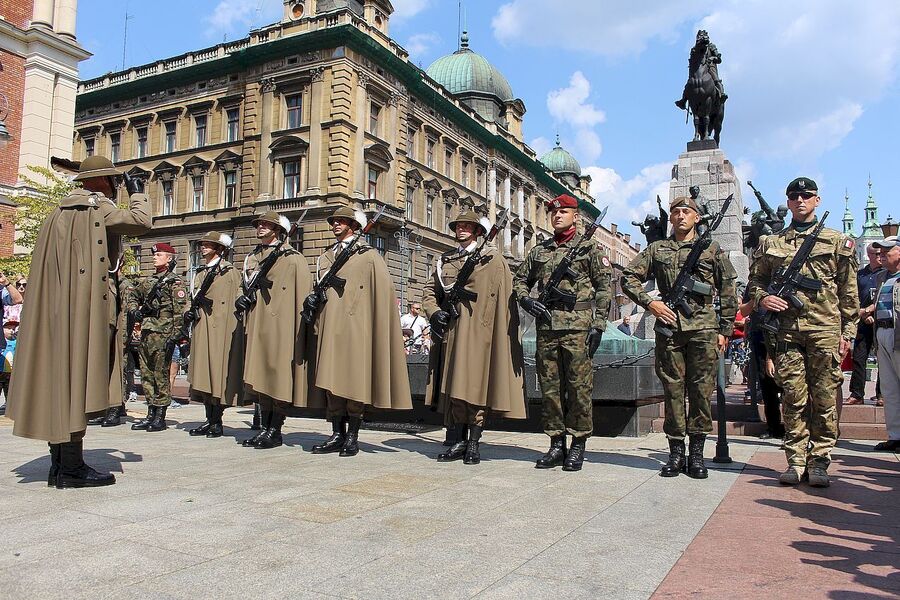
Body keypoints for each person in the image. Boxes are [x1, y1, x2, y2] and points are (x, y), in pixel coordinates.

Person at [6, 155, 150, 488]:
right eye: (114, 181)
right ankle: (71, 469)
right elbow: (141, 221)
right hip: (84, 313)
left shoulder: (60, 212)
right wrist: (139, 190)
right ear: (104, 182)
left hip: (59, 312)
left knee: (61, 382)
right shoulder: (96, 207)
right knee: (78, 383)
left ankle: (60, 465)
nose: (116, 186)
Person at [749, 177, 858, 487]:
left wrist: (847, 332)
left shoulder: (837, 241)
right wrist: (762, 297)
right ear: (788, 200)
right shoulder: (772, 243)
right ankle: (795, 460)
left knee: (824, 397)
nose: (800, 200)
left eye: (806, 195)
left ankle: (820, 460)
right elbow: (755, 283)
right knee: (794, 397)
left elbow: (849, 292)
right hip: (785, 332)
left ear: (817, 200)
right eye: (795, 196)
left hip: (824, 329)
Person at [622, 195, 737, 479]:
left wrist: (725, 329)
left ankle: (696, 455)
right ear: (670, 218)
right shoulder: (657, 249)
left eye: (687, 212)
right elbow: (628, 277)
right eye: (676, 212)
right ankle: (675, 453)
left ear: (697, 217)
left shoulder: (711, 248)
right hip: (670, 328)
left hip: (703, 329)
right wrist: (651, 304)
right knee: (673, 390)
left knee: (700, 391)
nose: (681, 216)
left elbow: (727, 289)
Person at [513, 194, 612, 472]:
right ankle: (557, 443)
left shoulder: (590, 249)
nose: (557, 216)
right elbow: (520, 279)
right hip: (547, 328)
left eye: (564, 212)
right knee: (550, 389)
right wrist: (526, 300)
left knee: (579, 389)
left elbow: (604, 289)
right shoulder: (540, 250)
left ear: (575, 217)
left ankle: (578, 443)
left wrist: (599, 324)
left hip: (578, 327)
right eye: (554, 213)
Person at [305, 206, 412, 457]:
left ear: (354, 226)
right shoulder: (327, 256)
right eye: (334, 222)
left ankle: (352, 435)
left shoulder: (368, 255)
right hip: (330, 325)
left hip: (356, 327)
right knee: (332, 383)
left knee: (353, 383)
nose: (336, 225)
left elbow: (382, 294)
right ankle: (336, 434)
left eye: (342, 222)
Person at [423, 210, 526, 464]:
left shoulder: (491, 259)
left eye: (468, 226)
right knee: (456, 389)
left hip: (481, 333)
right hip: (454, 332)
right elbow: (429, 291)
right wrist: (434, 312)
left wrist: (493, 331)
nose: (462, 230)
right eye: (459, 226)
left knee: (476, 389)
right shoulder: (445, 260)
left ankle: (473, 443)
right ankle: (458, 440)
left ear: (478, 231)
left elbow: (502, 299)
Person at [237, 211, 315, 449]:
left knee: (277, 376)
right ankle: (263, 428)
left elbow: (302, 294)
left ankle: (275, 429)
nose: (260, 227)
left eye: (266, 224)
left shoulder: (292, 258)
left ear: (278, 229)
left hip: (281, 324)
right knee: (260, 375)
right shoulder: (252, 257)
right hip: (257, 321)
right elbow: (244, 285)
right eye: (259, 224)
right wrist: (241, 298)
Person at [184, 232, 244, 438]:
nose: (203, 247)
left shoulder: (229, 272)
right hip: (203, 326)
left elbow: (238, 296)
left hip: (222, 328)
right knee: (203, 374)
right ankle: (209, 419)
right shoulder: (200, 273)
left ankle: (217, 421)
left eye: (209, 244)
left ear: (220, 249)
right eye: (203, 244)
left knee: (217, 374)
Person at [127, 243, 188, 433]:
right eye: (154, 255)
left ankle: (160, 416)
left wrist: (177, 336)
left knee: (160, 375)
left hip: (164, 334)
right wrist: (134, 311)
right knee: (146, 375)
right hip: (147, 333)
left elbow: (180, 312)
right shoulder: (149, 281)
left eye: (159, 255)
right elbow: (132, 296)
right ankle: (150, 414)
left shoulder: (175, 282)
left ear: (169, 258)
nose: (154, 257)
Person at [739, 288, 784, 440]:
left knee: (788, 385)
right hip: (759, 336)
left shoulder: (780, 282)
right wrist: (756, 300)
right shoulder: (755, 286)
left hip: (782, 336)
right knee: (766, 384)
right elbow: (743, 311)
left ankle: (793, 429)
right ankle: (773, 427)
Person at [871, 236, 900, 452]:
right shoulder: (881, 277)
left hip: (897, 333)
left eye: (887, 251)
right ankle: (895, 435)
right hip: (882, 332)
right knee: (889, 389)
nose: (881, 255)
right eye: (879, 252)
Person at [847, 244, 884, 405]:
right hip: (862, 321)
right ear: (869, 255)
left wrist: (872, 312)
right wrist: (862, 314)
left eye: (881, 253)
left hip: (882, 321)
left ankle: (881, 394)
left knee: (883, 359)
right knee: (859, 358)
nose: (879, 256)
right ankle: (857, 394)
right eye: (876, 253)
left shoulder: (886, 274)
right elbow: (852, 296)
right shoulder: (860, 274)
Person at [0, 319, 18, 413]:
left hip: (10, 372)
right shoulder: (2, 342)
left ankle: (9, 407)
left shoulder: (16, 342)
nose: (12, 331)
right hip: (0, 371)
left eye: (13, 329)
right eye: (8, 328)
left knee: (9, 391)